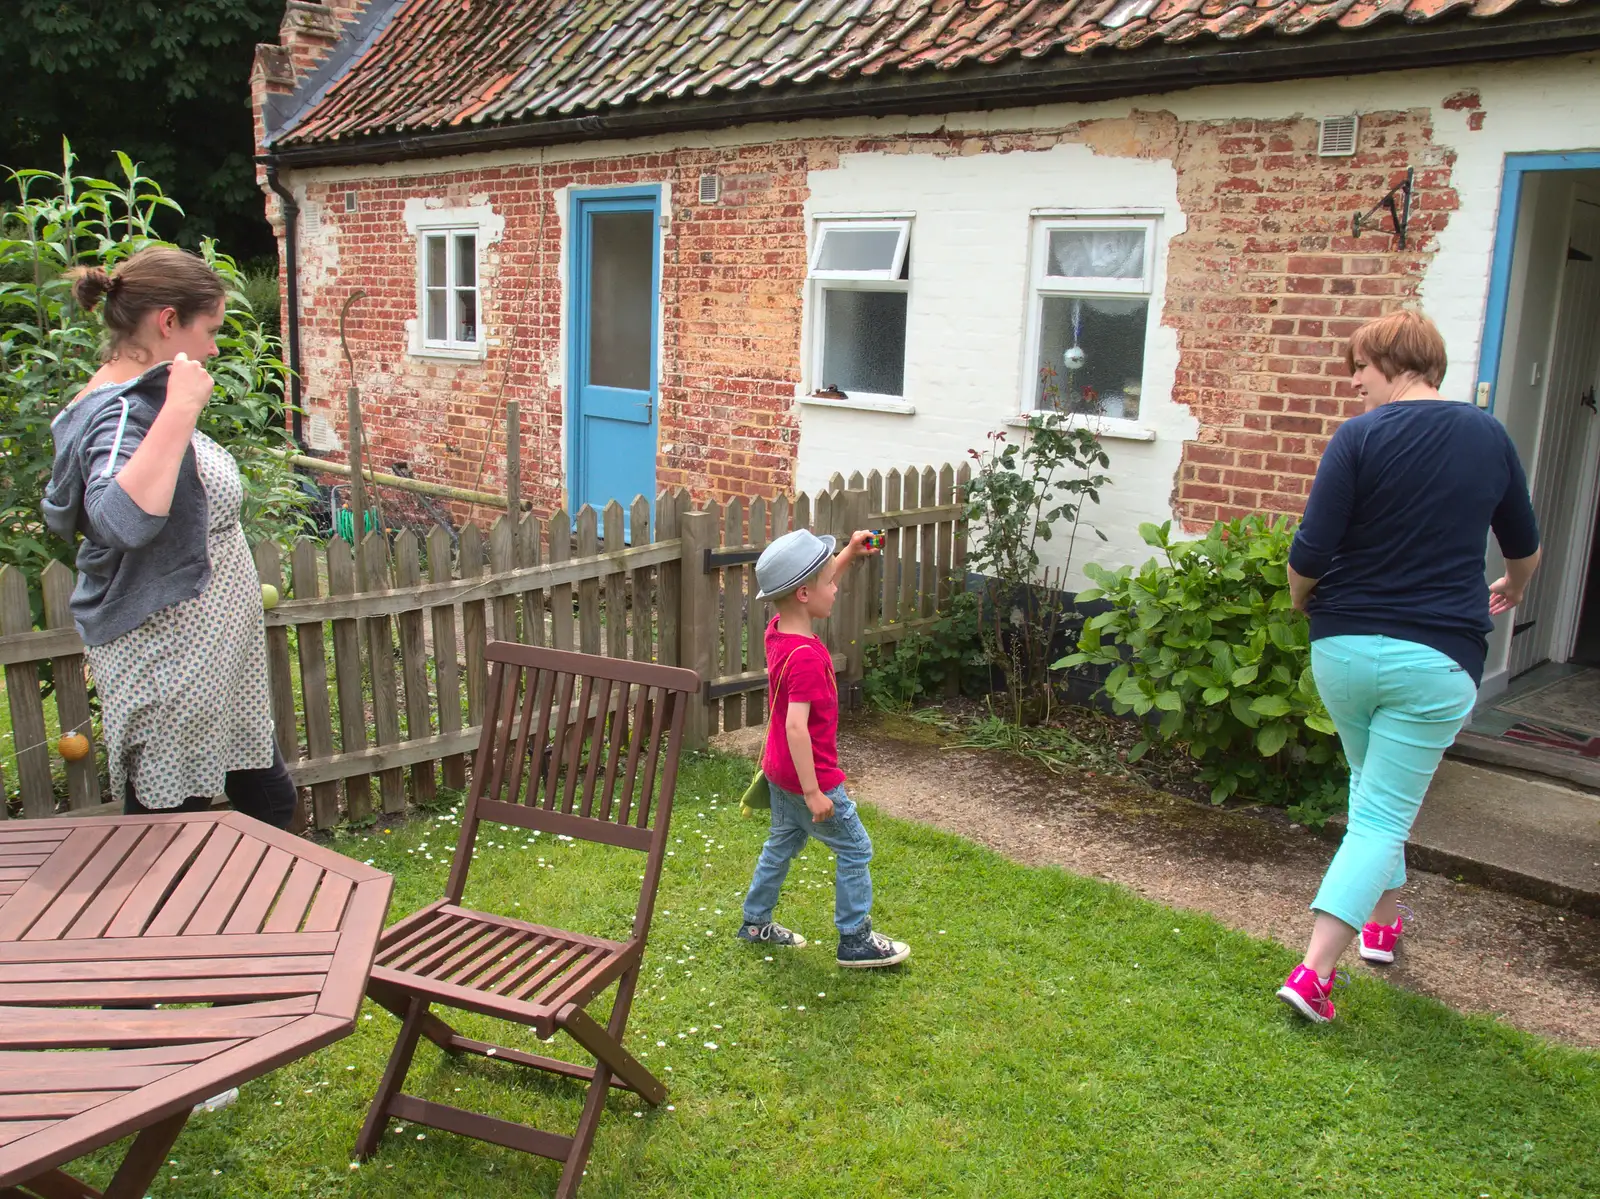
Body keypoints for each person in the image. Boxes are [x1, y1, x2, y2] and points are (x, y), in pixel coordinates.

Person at [1279, 310, 1540, 1022]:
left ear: (1397, 361)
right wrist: (1513, 590)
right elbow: (1524, 544)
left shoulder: (1358, 438)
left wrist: (1303, 602)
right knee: (1382, 814)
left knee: (1372, 793)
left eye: (1360, 365)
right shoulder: (1488, 436)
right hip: (1435, 659)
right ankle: (1313, 972)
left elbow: (1309, 555)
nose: (1355, 380)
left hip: (1343, 651)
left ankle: (1383, 925)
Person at [41, 247, 296, 829]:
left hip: (210, 658)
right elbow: (121, 520)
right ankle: (158, 920)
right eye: (210, 330)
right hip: (173, 664)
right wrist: (182, 405)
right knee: (168, 828)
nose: (212, 349)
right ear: (166, 321)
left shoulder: (138, 398)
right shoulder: (124, 412)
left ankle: (257, 915)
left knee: (267, 801)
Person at [736, 527, 911, 967]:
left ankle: (755, 922)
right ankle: (855, 939)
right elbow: (798, 727)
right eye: (828, 582)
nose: (835, 587)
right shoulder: (810, 658)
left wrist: (850, 552)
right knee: (855, 849)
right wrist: (815, 792)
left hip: (779, 772)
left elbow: (812, 583)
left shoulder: (778, 632)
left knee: (780, 843)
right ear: (802, 593)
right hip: (808, 778)